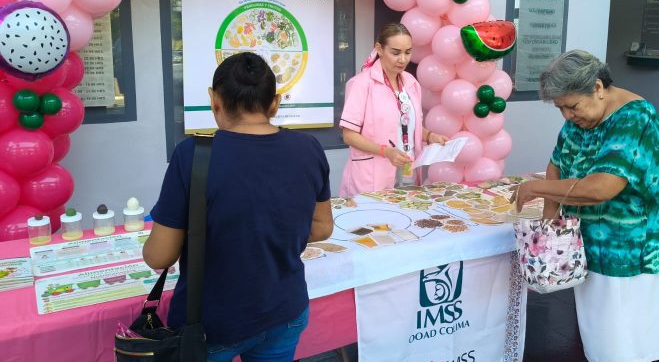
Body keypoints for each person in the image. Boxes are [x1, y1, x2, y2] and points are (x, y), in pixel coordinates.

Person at [143, 52, 333, 362]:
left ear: (214, 100)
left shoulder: (192, 154)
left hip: (212, 325)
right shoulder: (308, 148)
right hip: (285, 311)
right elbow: (322, 227)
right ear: (275, 103)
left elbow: (159, 256)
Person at [513, 50, 659, 362]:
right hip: (589, 242)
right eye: (560, 108)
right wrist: (549, 228)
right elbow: (556, 165)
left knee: (625, 340)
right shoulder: (581, 119)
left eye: (572, 106)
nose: (567, 115)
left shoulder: (635, 118)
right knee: (600, 336)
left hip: (630, 249)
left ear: (598, 87)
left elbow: (602, 187)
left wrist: (534, 188)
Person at [339, 23, 449, 197]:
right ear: (379, 49)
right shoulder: (360, 84)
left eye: (408, 52)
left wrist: (430, 136)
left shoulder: (411, 83)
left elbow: (408, 124)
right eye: (396, 53)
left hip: (408, 172)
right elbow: (349, 135)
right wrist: (386, 151)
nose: (403, 59)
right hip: (372, 176)